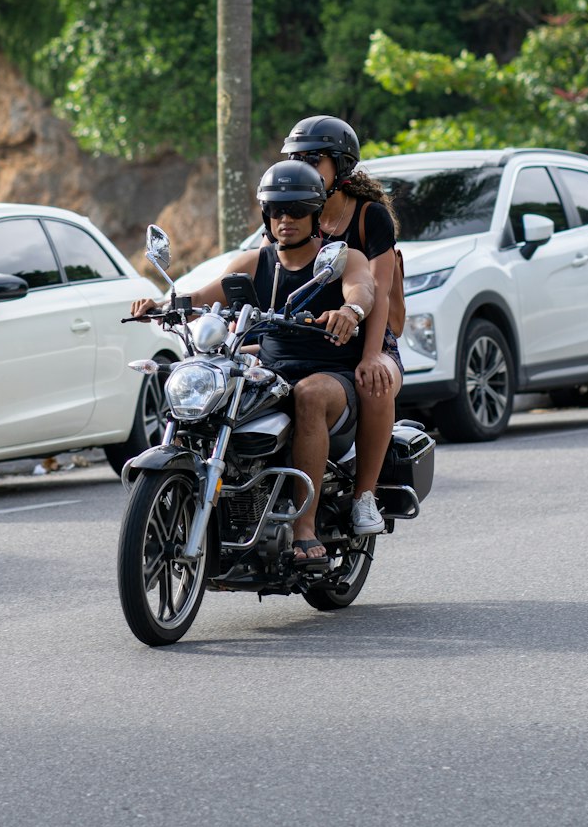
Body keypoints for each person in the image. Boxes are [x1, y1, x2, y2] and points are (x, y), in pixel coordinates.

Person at [130, 160, 375, 571]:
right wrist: (164, 305)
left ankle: (305, 528)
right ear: (266, 214)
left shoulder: (340, 258)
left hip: (332, 375)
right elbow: (202, 297)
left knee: (308, 394)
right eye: (277, 211)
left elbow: (362, 288)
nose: (286, 219)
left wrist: (350, 311)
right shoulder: (254, 262)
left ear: (315, 213)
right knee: (219, 385)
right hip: (273, 372)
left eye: (296, 210)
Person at [280, 114, 403, 536]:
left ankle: (364, 496)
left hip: (370, 332)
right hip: (307, 335)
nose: (303, 166)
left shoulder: (369, 217)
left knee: (375, 380)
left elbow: (379, 292)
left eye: (314, 159)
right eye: (296, 158)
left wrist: (371, 355)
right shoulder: (293, 209)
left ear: (340, 165)